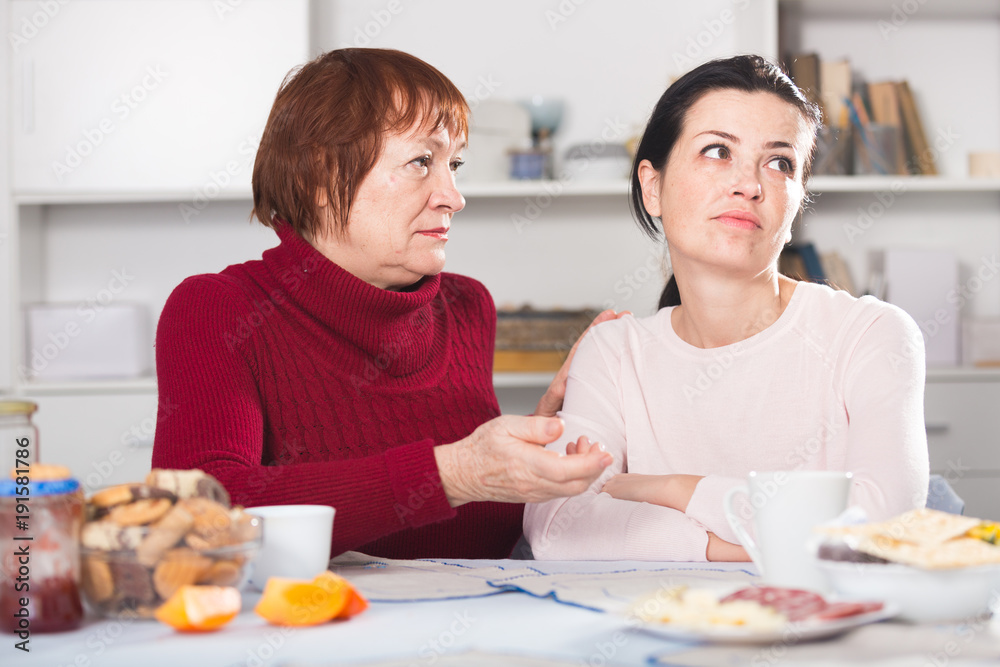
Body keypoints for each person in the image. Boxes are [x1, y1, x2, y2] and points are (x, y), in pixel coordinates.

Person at [152, 48, 616, 561]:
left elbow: (473, 531)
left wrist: (542, 440)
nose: (454, 196)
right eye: (422, 161)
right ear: (322, 176)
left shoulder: (467, 307)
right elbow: (197, 521)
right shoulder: (217, 310)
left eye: (454, 164)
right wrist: (455, 473)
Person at [523, 55, 929, 562]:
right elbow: (561, 528)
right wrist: (754, 545)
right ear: (653, 188)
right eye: (717, 151)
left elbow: (884, 527)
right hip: (654, 630)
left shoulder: (871, 334)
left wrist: (674, 489)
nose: (750, 184)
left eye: (780, 162)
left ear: (798, 198)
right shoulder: (612, 352)